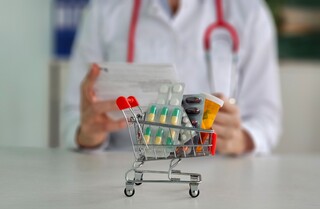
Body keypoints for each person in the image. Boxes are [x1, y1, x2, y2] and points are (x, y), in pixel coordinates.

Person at [63, 0, 282, 155]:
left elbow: (266, 118)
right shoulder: (104, 9)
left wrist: (241, 139)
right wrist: (88, 134)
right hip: (120, 174)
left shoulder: (250, 12)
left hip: (218, 179)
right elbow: (74, 114)